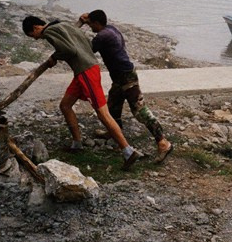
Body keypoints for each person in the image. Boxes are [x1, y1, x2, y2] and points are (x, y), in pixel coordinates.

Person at [22, 15, 141, 169]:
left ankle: (128, 151)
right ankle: (77, 144)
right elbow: (83, 41)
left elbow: (69, 50)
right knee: (65, 105)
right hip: (83, 71)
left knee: (102, 113)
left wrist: (55, 57)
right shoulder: (62, 24)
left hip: (86, 72)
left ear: (36, 28)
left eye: (33, 36)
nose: (36, 39)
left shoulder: (49, 32)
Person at [78, 10, 174, 163]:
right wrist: (87, 20)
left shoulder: (102, 36)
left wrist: (82, 23)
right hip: (120, 76)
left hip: (126, 76)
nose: (91, 28)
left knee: (139, 110)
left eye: (91, 24)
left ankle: (163, 142)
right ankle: (113, 132)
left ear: (96, 23)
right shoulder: (112, 29)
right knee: (113, 106)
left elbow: (85, 49)